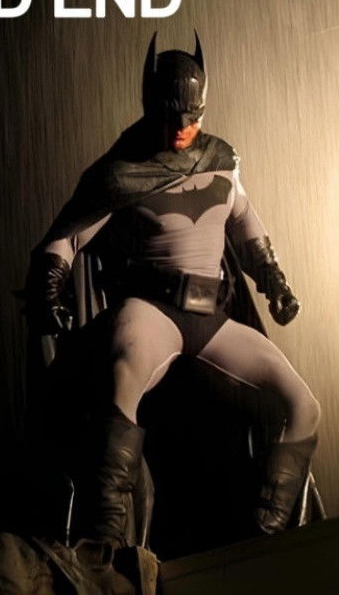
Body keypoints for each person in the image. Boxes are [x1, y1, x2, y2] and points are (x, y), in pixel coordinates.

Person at [23, 31, 321, 550]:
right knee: (122, 388)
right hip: (151, 312)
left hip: (212, 317)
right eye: (172, 115)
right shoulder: (122, 171)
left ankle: (268, 540)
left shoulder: (223, 160)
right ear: (151, 106)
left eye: (192, 116)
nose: (183, 128)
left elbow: (247, 231)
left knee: (304, 406)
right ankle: (104, 550)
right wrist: (49, 289)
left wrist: (274, 282)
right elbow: (68, 238)